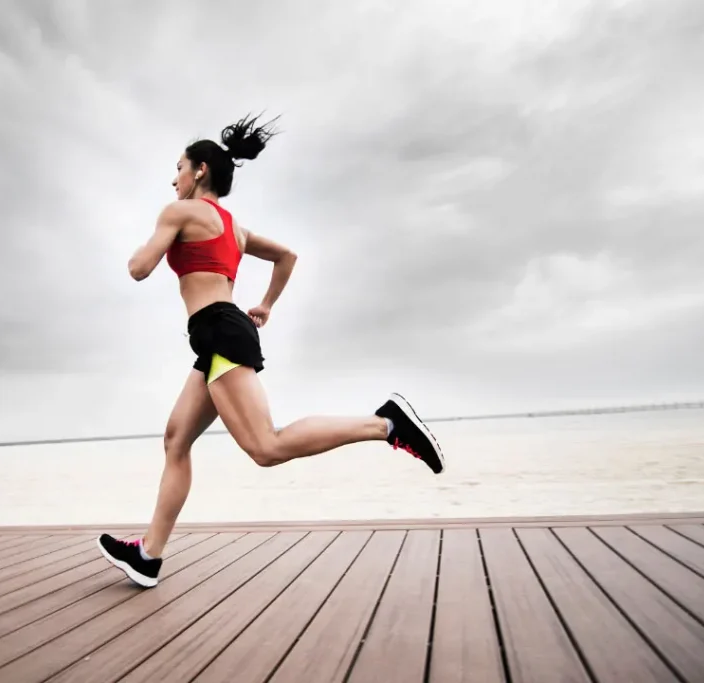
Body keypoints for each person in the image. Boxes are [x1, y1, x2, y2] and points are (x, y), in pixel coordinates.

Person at [96, 113, 445, 588]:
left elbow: (139, 268)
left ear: (200, 170)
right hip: (220, 332)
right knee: (176, 439)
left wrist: (147, 247)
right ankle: (149, 556)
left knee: (266, 447)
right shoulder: (235, 229)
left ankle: (386, 423)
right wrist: (264, 304)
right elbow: (287, 256)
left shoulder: (177, 212)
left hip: (218, 332)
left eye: (178, 167)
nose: (172, 177)